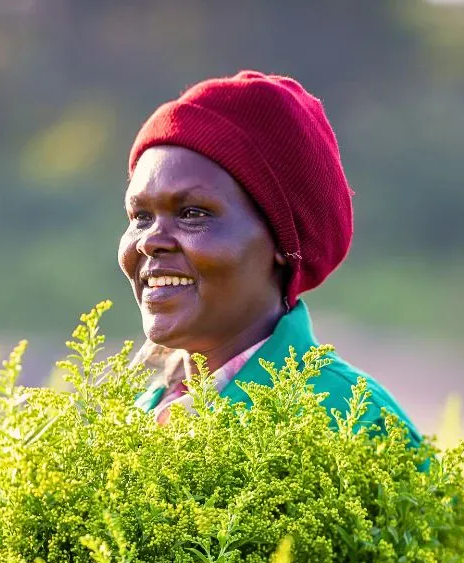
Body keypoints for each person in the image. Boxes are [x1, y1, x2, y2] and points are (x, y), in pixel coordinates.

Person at [118, 70, 421, 444]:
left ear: (281, 241)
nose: (150, 242)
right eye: (141, 217)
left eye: (193, 213)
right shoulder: (134, 417)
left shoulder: (356, 424)